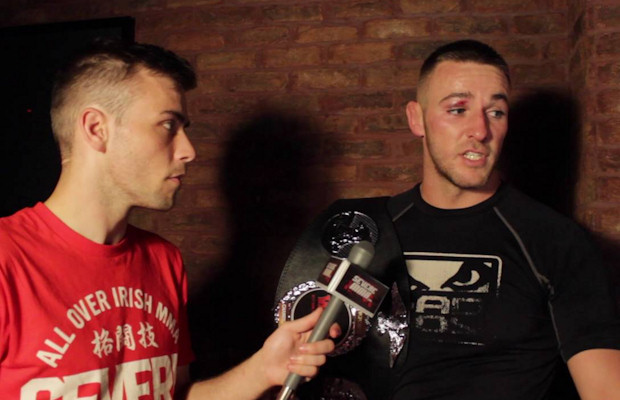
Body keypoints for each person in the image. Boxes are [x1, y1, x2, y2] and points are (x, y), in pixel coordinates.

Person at [0, 39, 338, 400]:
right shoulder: (8, 260)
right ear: (97, 129)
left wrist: (263, 370)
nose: (188, 151)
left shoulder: (163, 260)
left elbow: (172, 394)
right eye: (167, 125)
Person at [294, 40, 620, 400]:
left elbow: (605, 389)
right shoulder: (366, 231)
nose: (480, 130)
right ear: (416, 118)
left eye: (496, 112)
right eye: (458, 109)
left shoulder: (554, 240)